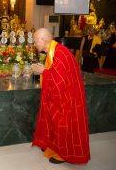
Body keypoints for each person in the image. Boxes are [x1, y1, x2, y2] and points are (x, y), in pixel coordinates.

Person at [31, 28, 90, 164]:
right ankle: (53, 146)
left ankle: (63, 153)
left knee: (62, 123)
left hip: (67, 97)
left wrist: (44, 72)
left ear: (43, 40)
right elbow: (55, 72)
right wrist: (44, 71)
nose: (34, 44)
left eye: (35, 41)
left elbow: (60, 81)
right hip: (60, 94)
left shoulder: (61, 52)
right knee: (52, 120)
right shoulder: (53, 51)